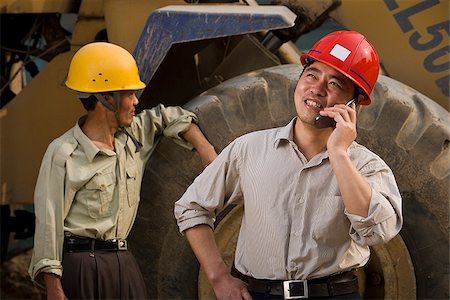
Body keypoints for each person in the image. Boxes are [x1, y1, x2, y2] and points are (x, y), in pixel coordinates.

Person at [174, 30, 403, 300]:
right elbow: (191, 207)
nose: (317, 89)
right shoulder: (249, 149)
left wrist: (339, 155)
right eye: (312, 75)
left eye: (335, 84)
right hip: (261, 294)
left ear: (353, 104)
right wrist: (218, 277)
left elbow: (379, 231)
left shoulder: (366, 166)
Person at [28, 42, 217, 299]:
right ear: (106, 99)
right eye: (129, 94)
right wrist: (54, 287)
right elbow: (48, 224)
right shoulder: (64, 153)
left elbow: (169, 116)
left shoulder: (134, 136)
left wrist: (205, 148)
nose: (137, 101)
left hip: (123, 261)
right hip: (82, 267)